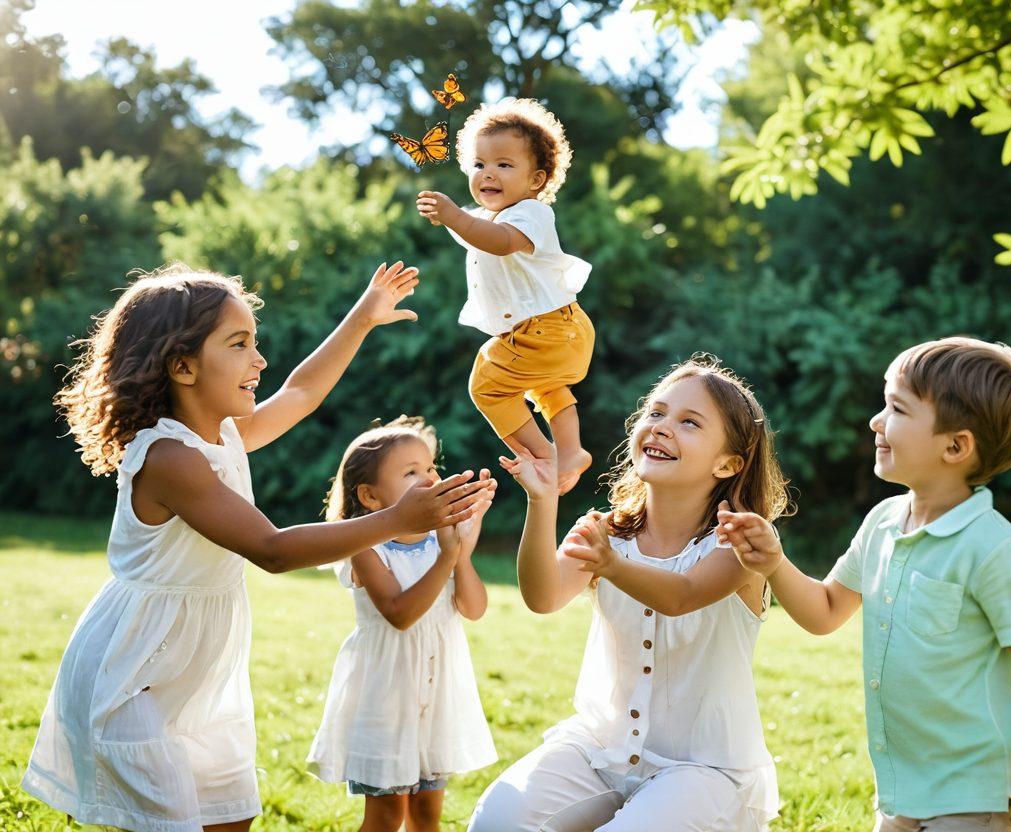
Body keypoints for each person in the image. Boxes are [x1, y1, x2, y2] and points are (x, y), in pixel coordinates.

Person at [22, 262, 493, 832]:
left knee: (231, 818)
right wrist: (396, 518)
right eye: (240, 344)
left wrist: (361, 319)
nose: (260, 361)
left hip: (198, 672)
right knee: (172, 821)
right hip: (134, 674)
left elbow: (301, 391)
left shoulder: (223, 436)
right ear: (183, 365)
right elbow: (272, 550)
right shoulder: (169, 458)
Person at [720, 337, 1011, 832]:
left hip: (976, 794)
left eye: (896, 408)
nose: (875, 421)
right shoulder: (884, 522)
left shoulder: (994, 550)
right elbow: (825, 611)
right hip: (902, 789)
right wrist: (774, 564)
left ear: (956, 446)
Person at [469, 355, 792, 832]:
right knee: (496, 822)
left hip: (703, 769)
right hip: (600, 749)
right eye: (656, 413)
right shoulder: (608, 532)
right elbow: (543, 596)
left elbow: (681, 595)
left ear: (728, 463)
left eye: (689, 422)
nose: (662, 427)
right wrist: (543, 502)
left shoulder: (738, 544)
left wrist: (611, 565)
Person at [308, 415, 498, 832]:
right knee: (386, 816)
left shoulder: (442, 538)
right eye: (411, 472)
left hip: (436, 697)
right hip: (386, 700)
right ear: (371, 497)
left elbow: (473, 607)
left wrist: (461, 552)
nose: (429, 478)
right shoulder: (363, 546)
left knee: (427, 815)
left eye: (431, 467)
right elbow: (399, 614)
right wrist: (448, 557)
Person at [417, 97, 594, 495]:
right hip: (558, 331)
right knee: (545, 388)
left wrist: (454, 217)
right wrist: (448, 216)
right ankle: (570, 451)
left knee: (487, 383)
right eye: (478, 165)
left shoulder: (531, 213)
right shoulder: (484, 218)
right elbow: (475, 229)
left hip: (545, 329)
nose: (487, 174)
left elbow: (500, 242)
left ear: (536, 180)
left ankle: (543, 460)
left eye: (504, 165)